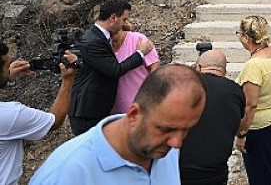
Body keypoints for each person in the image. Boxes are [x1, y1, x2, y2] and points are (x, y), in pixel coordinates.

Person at [31, 64, 206, 185]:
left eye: (186, 129)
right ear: (134, 114)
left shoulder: (163, 147)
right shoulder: (66, 174)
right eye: (166, 129)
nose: (177, 143)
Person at [69, 0, 154, 135]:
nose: (125, 23)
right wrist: (140, 53)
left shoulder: (99, 37)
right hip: (88, 112)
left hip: (98, 110)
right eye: (124, 19)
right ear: (113, 18)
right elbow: (115, 70)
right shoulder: (92, 41)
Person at [0, 42, 77, 185]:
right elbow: (55, 121)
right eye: (6, 66)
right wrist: (67, 80)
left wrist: (6, 75)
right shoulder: (10, 115)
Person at [234, 16, 271, 185]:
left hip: (261, 128)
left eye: (239, 34)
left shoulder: (254, 65)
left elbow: (251, 104)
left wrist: (241, 133)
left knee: (261, 178)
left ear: (246, 37)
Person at [180, 49, 245, 185]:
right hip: (216, 173)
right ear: (225, 72)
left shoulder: (181, 87)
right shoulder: (236, 92)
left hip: (181, 172)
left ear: (198, 67)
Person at [109, 21, 160, 114]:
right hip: (113, 111)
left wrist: (147, 94)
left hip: (140, 108)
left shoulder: (138, 39)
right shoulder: (100, 44)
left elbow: (155, 67)